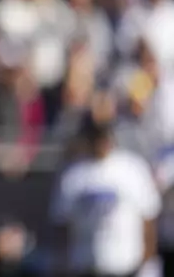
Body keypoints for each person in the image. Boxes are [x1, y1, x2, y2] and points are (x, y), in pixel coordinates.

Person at [50, 111, 161, 277]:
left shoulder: (132, 169)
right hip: (87, 266)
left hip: (127, 266)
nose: (101, 142)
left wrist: (147, 262)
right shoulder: (74, 174)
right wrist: (64, 263)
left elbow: (149, 219)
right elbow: (62, 223)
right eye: (96, 136)